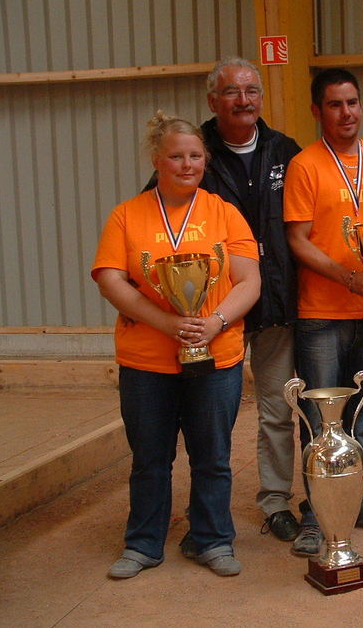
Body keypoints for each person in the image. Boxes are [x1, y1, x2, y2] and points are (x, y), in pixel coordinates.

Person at [93, 112, 260, 578]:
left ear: (205, 159)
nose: (187, 164)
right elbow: (111, 279)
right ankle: (144, 542)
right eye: (176, 156)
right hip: (147, 359)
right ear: (157, 160)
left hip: (216, 353)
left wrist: (215, 321)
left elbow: (249, 280)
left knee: (212, 455)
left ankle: (212, 539)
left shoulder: (224, 213)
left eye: (195, 156)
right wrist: (168, 324)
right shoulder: (127, 215)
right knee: (150, 458)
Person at [284, 68, 363, 555]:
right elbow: (297, 241)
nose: (347, 113)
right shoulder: (305, 166)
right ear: (318, 111)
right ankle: (315, 513)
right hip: (321, 312)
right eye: (335, 105)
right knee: (320, 417)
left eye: (352, 102)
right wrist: (349, 278)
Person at [201, 57, 302, 542]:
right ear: (212, 101)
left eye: (251, 91)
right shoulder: (193, 153)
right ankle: (208, 513)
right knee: (208, 415)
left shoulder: (286, 150)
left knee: (277, 410)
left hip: (276, 306)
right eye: (231, 92)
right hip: (215, 313)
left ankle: (276, 501)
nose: (243, 101)